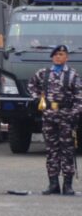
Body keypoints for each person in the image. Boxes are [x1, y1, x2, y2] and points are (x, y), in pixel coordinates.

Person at [28, 44, 82, 195]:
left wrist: (75, 113)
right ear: (52, 57)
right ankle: (53, 184)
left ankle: (68, 185)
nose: (59, 57)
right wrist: (37, 99)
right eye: (56, 54)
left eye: (62, 54)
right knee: (52, 151)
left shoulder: (72, 75)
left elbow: (79, 96)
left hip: (66, 117)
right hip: (49, 117)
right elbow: (31, 85)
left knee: (67, 151)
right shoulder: (44, 73)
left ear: (67, 57)